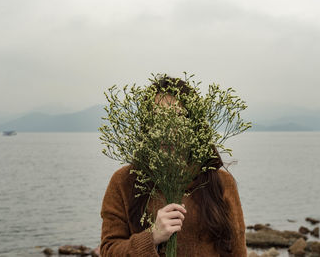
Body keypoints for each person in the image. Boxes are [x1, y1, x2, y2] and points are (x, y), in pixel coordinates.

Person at [99, 76, 247, 257]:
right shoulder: (124, 181)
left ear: (194, 124)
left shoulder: (221, 182)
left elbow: (238, 251)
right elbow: (108, 250)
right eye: (159, 118)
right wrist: (152, 237)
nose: (168, 128)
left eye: (177, 116)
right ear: (147, 125)